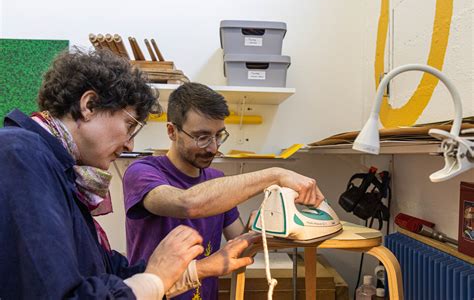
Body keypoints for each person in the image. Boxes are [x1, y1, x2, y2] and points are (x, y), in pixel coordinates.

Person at [0, 49, 256, 300]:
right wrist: (155, 278)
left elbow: (106, 271)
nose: (130, 146)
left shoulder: (60, 170)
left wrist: (192, 270)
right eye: (130, 125)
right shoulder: (20, 153)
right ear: (89, 105)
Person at [123, 82, 326, 300]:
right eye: (202, 137)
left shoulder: (216, 180)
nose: (213, 147)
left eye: (219, 135)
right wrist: (274, 174)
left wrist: (271, 222)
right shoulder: (142, 172)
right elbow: (187, 203)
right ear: (172, 131)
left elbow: (239, 238)